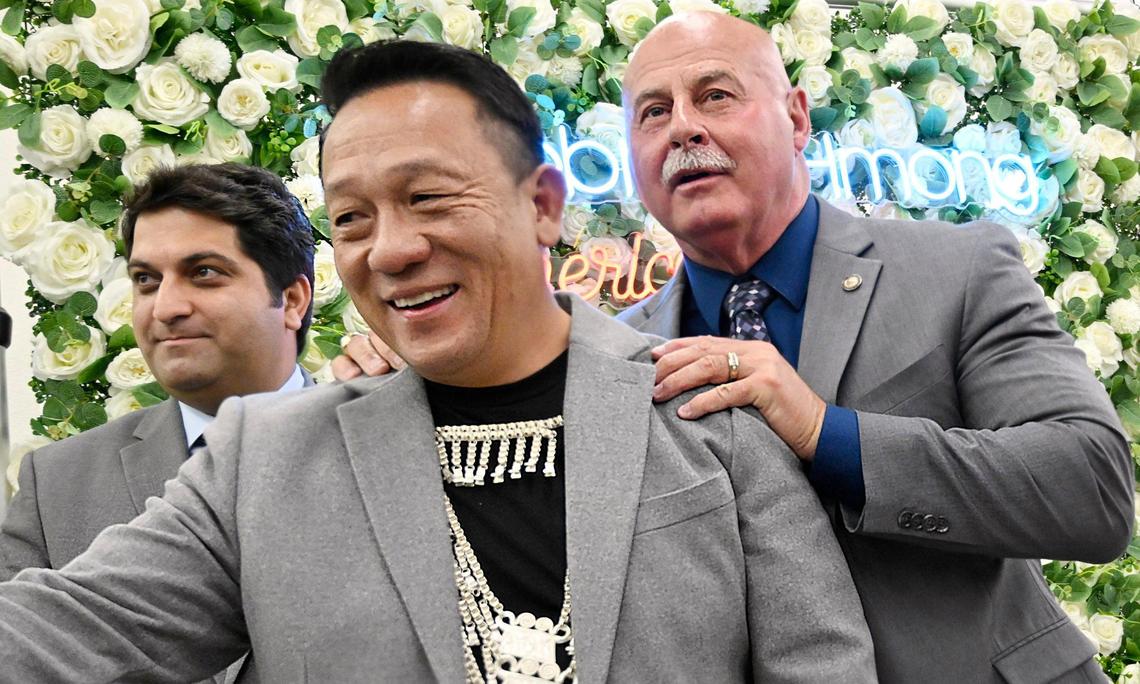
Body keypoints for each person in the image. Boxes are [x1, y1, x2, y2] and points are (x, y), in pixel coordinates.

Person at [0, 41, 875, 682]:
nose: (391, 249)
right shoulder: (262, 461)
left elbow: (820, 663)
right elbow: (72, 630)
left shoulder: (703, 408)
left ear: (541, 205)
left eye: (428, 198)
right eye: (350, 220)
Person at [615, 12, 1132, 683]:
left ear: (797, 119)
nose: (683, 126)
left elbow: (1090, 488)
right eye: (653, 112)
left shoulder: (958, 269)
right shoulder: (621, 358)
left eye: (715, 95)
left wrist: (827, 435)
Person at [0, 162, 316, 683]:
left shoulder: (380, 451)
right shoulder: (54, 484)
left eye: (204, 273)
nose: (165, 308)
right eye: (146, 280)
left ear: (293, 299)